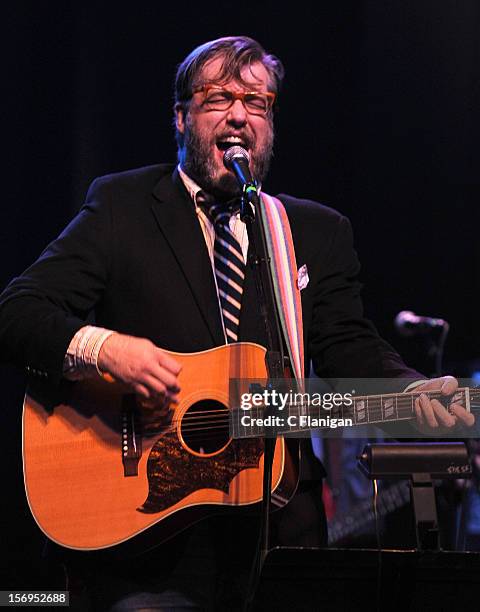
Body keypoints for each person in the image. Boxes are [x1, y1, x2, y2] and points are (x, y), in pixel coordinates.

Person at [0, 36, 474, 611]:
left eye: (257, 101)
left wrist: (414, 395)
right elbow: (19, 312)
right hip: (151, 540)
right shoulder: (121, 206)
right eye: (218, 97)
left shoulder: (312, 232)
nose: (239, 115)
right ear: (180, 118)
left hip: (282, 525)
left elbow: (350, 347)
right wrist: (105, 349)